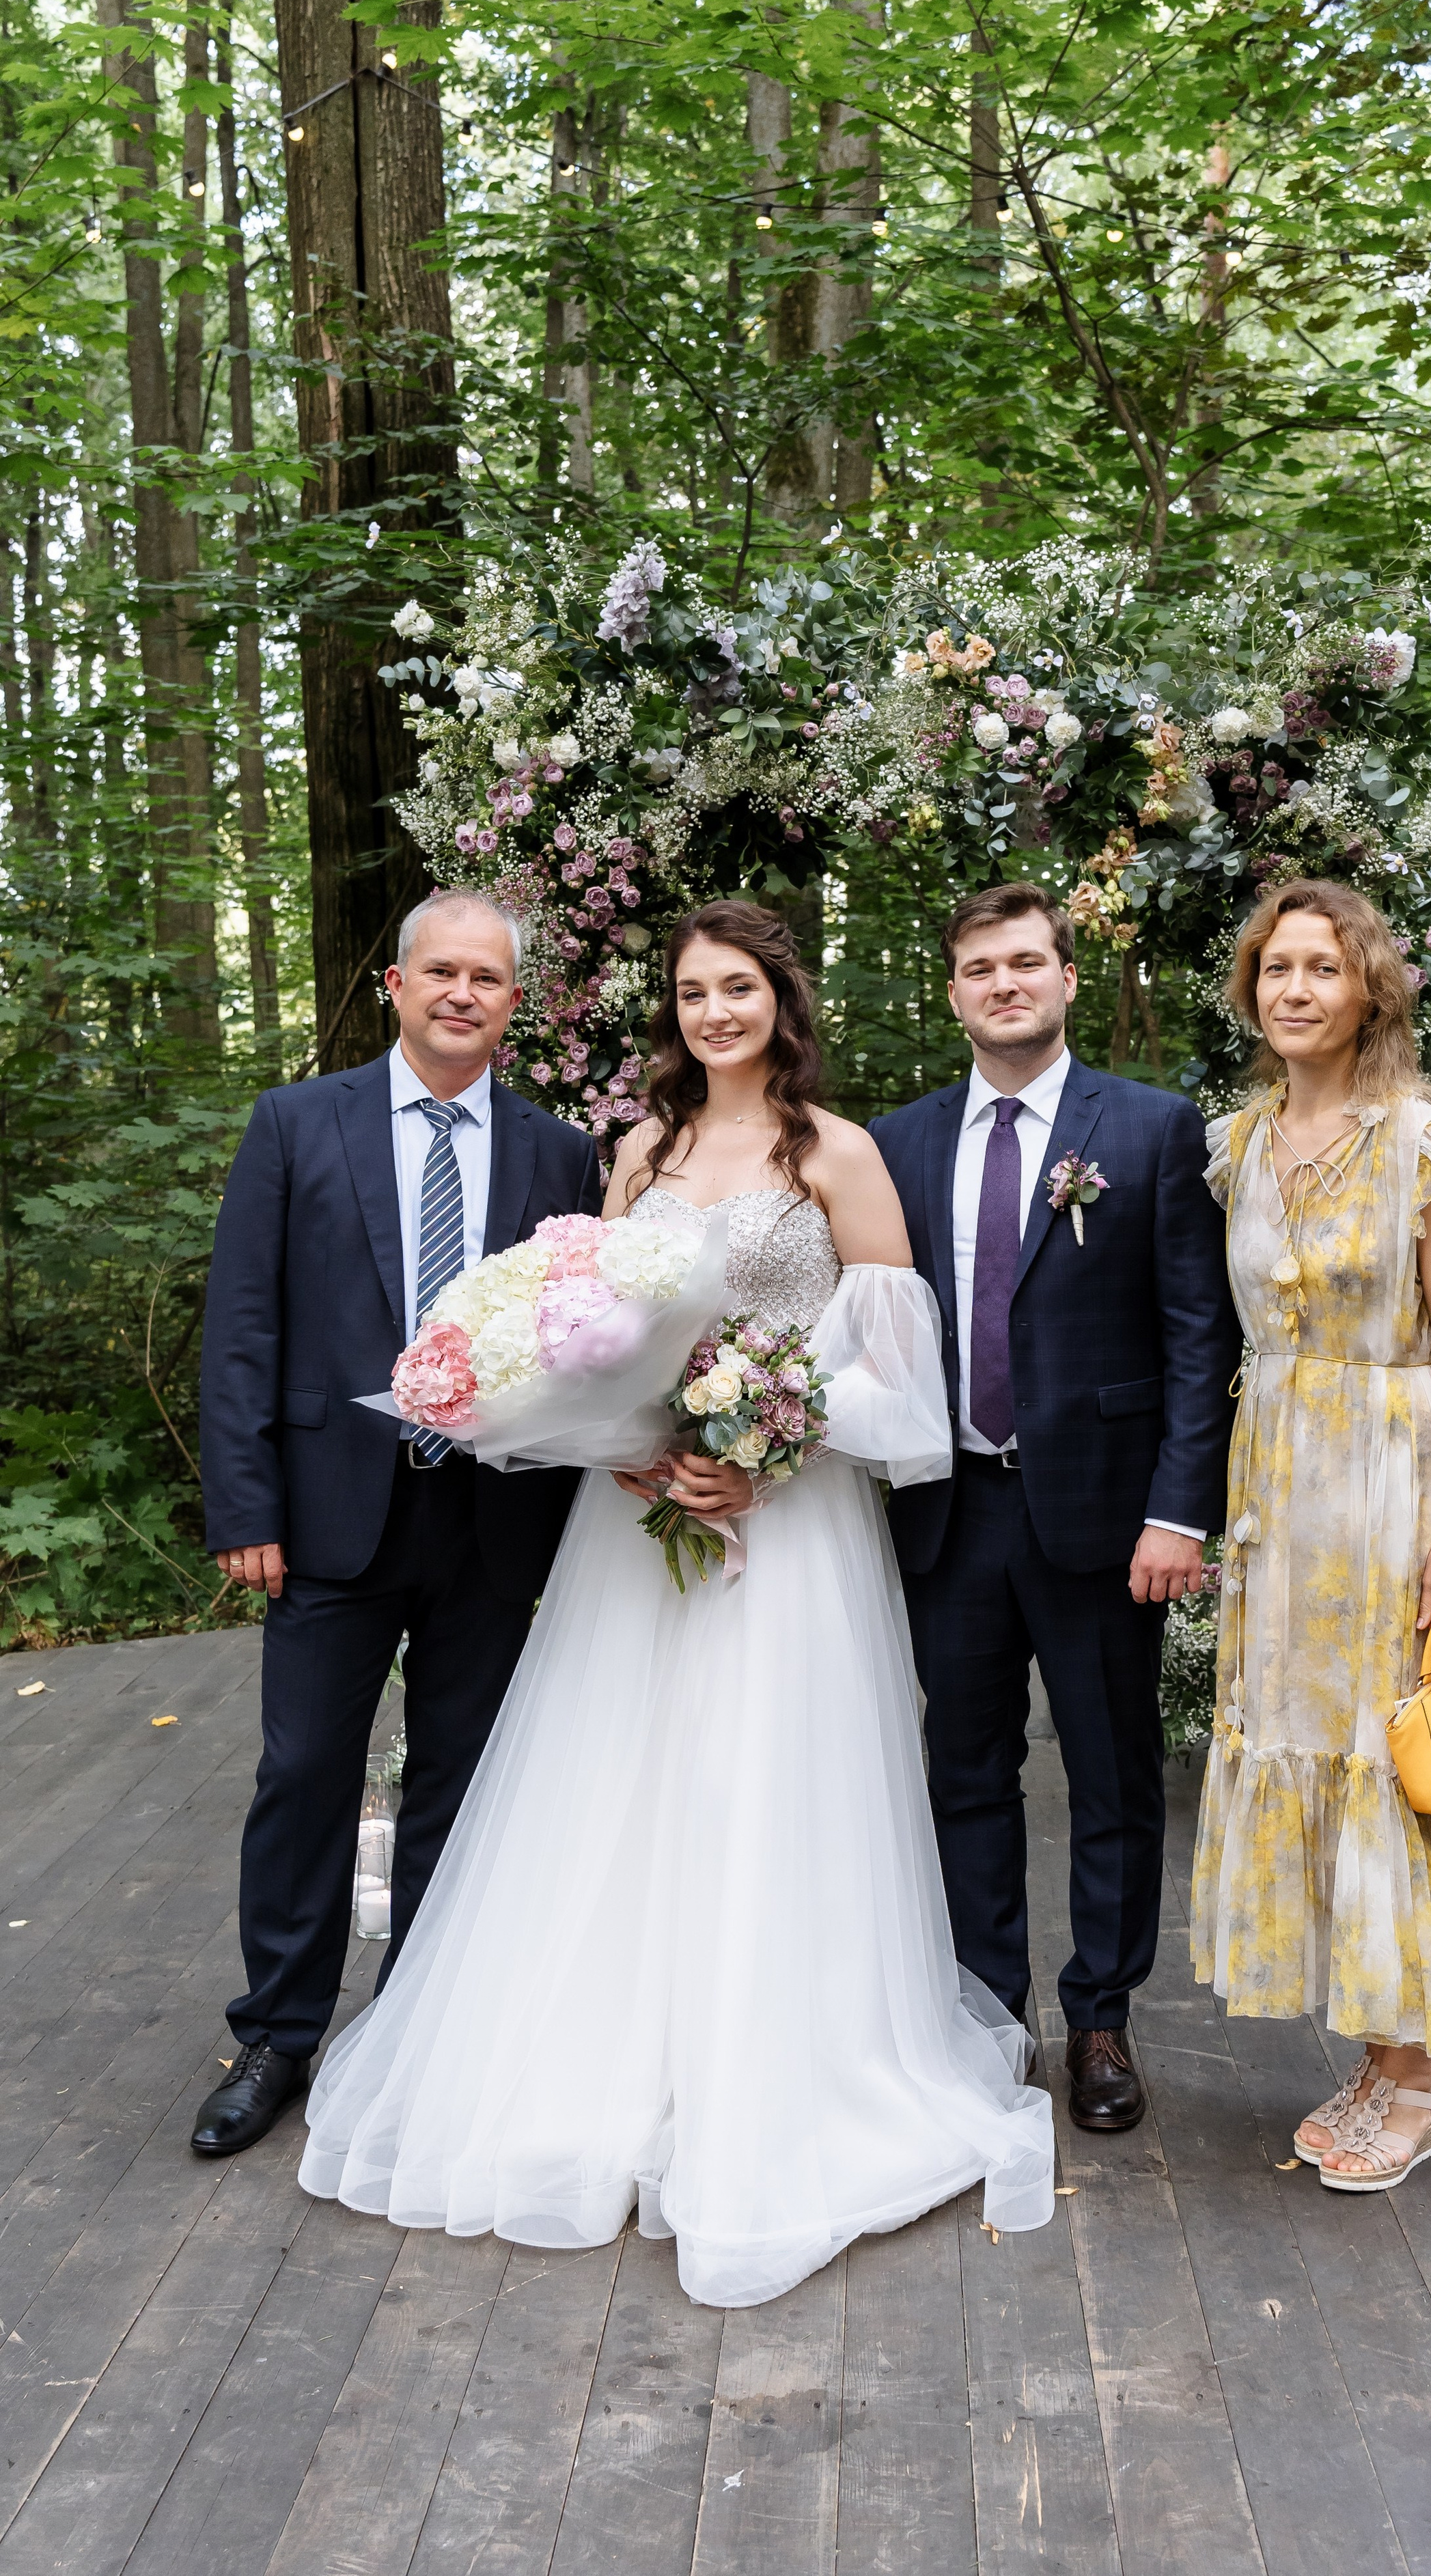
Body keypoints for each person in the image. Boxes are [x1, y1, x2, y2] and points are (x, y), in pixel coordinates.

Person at [296, 898, 1055, 2308]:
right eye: (694, 992)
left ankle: (777, 2072)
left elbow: (902, 1387)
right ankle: (597, 2068)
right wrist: (644, 1447)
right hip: (636, 1517)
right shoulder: (634, 1152)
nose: (716, 1012)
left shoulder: (838, 1154)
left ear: (781, 1000)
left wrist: (769, 1448)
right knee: (620, 1780)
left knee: (761, 1780)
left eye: (740, 988)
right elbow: (592, 1335)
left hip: (791, 1525)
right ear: (675, 1011)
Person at [191, 892, 600, 2157]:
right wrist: (245, 1504)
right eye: (441, 973)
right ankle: (278, 2035)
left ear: (514, 1004)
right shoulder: (296, 1125)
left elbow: (581, 1344)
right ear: (398, 986)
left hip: (494, 1515)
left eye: (487, 978)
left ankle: (418, 2027)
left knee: (459, 1782)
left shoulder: (559, 1154)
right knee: (305, 1771)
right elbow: (244, 1326)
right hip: (326, 1515)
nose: (461, 993)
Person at [869, 886, 1242, 2134]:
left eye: (1026, 962)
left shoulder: (1146, 1131)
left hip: (1102, 1514)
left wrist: (1180, 1513)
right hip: (948, 1511)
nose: (1004, 984)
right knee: (962, 1768)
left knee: (1112, 1775)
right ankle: (987, 2015)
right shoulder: (899, 1144)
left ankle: (1100, 2020)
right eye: (979, 968)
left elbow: (1201, 1338)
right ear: (955, 990)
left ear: (1069, 977)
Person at [1190, 878, 1431, 2194]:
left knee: (1392, 1754)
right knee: (1307, 1746)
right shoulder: (1239, 1146)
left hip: (1388, 1481)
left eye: (1322, 967)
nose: (1296, 989)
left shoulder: (1422, 1143)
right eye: (1277, 969)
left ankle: (1416, 2080)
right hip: (1279, 1495)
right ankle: (1377, 2057)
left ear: (1368, 987)